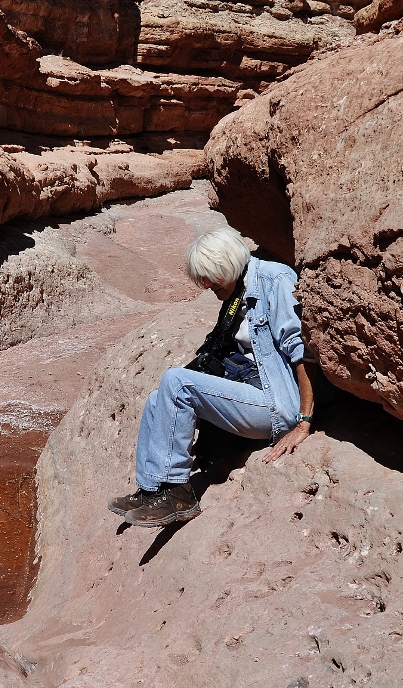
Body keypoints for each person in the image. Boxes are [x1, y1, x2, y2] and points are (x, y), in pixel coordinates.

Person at [108, 226, 317, 527]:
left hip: (277, 404)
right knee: (158, 399)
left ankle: (179, 493)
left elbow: (303, 353)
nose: (205, 284)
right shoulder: (238, 291)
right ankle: (152, 489)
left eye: (210, 275)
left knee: (176, 381)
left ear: (229, 264)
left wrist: (303, 423)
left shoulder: (274, 280)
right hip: (249, 389)